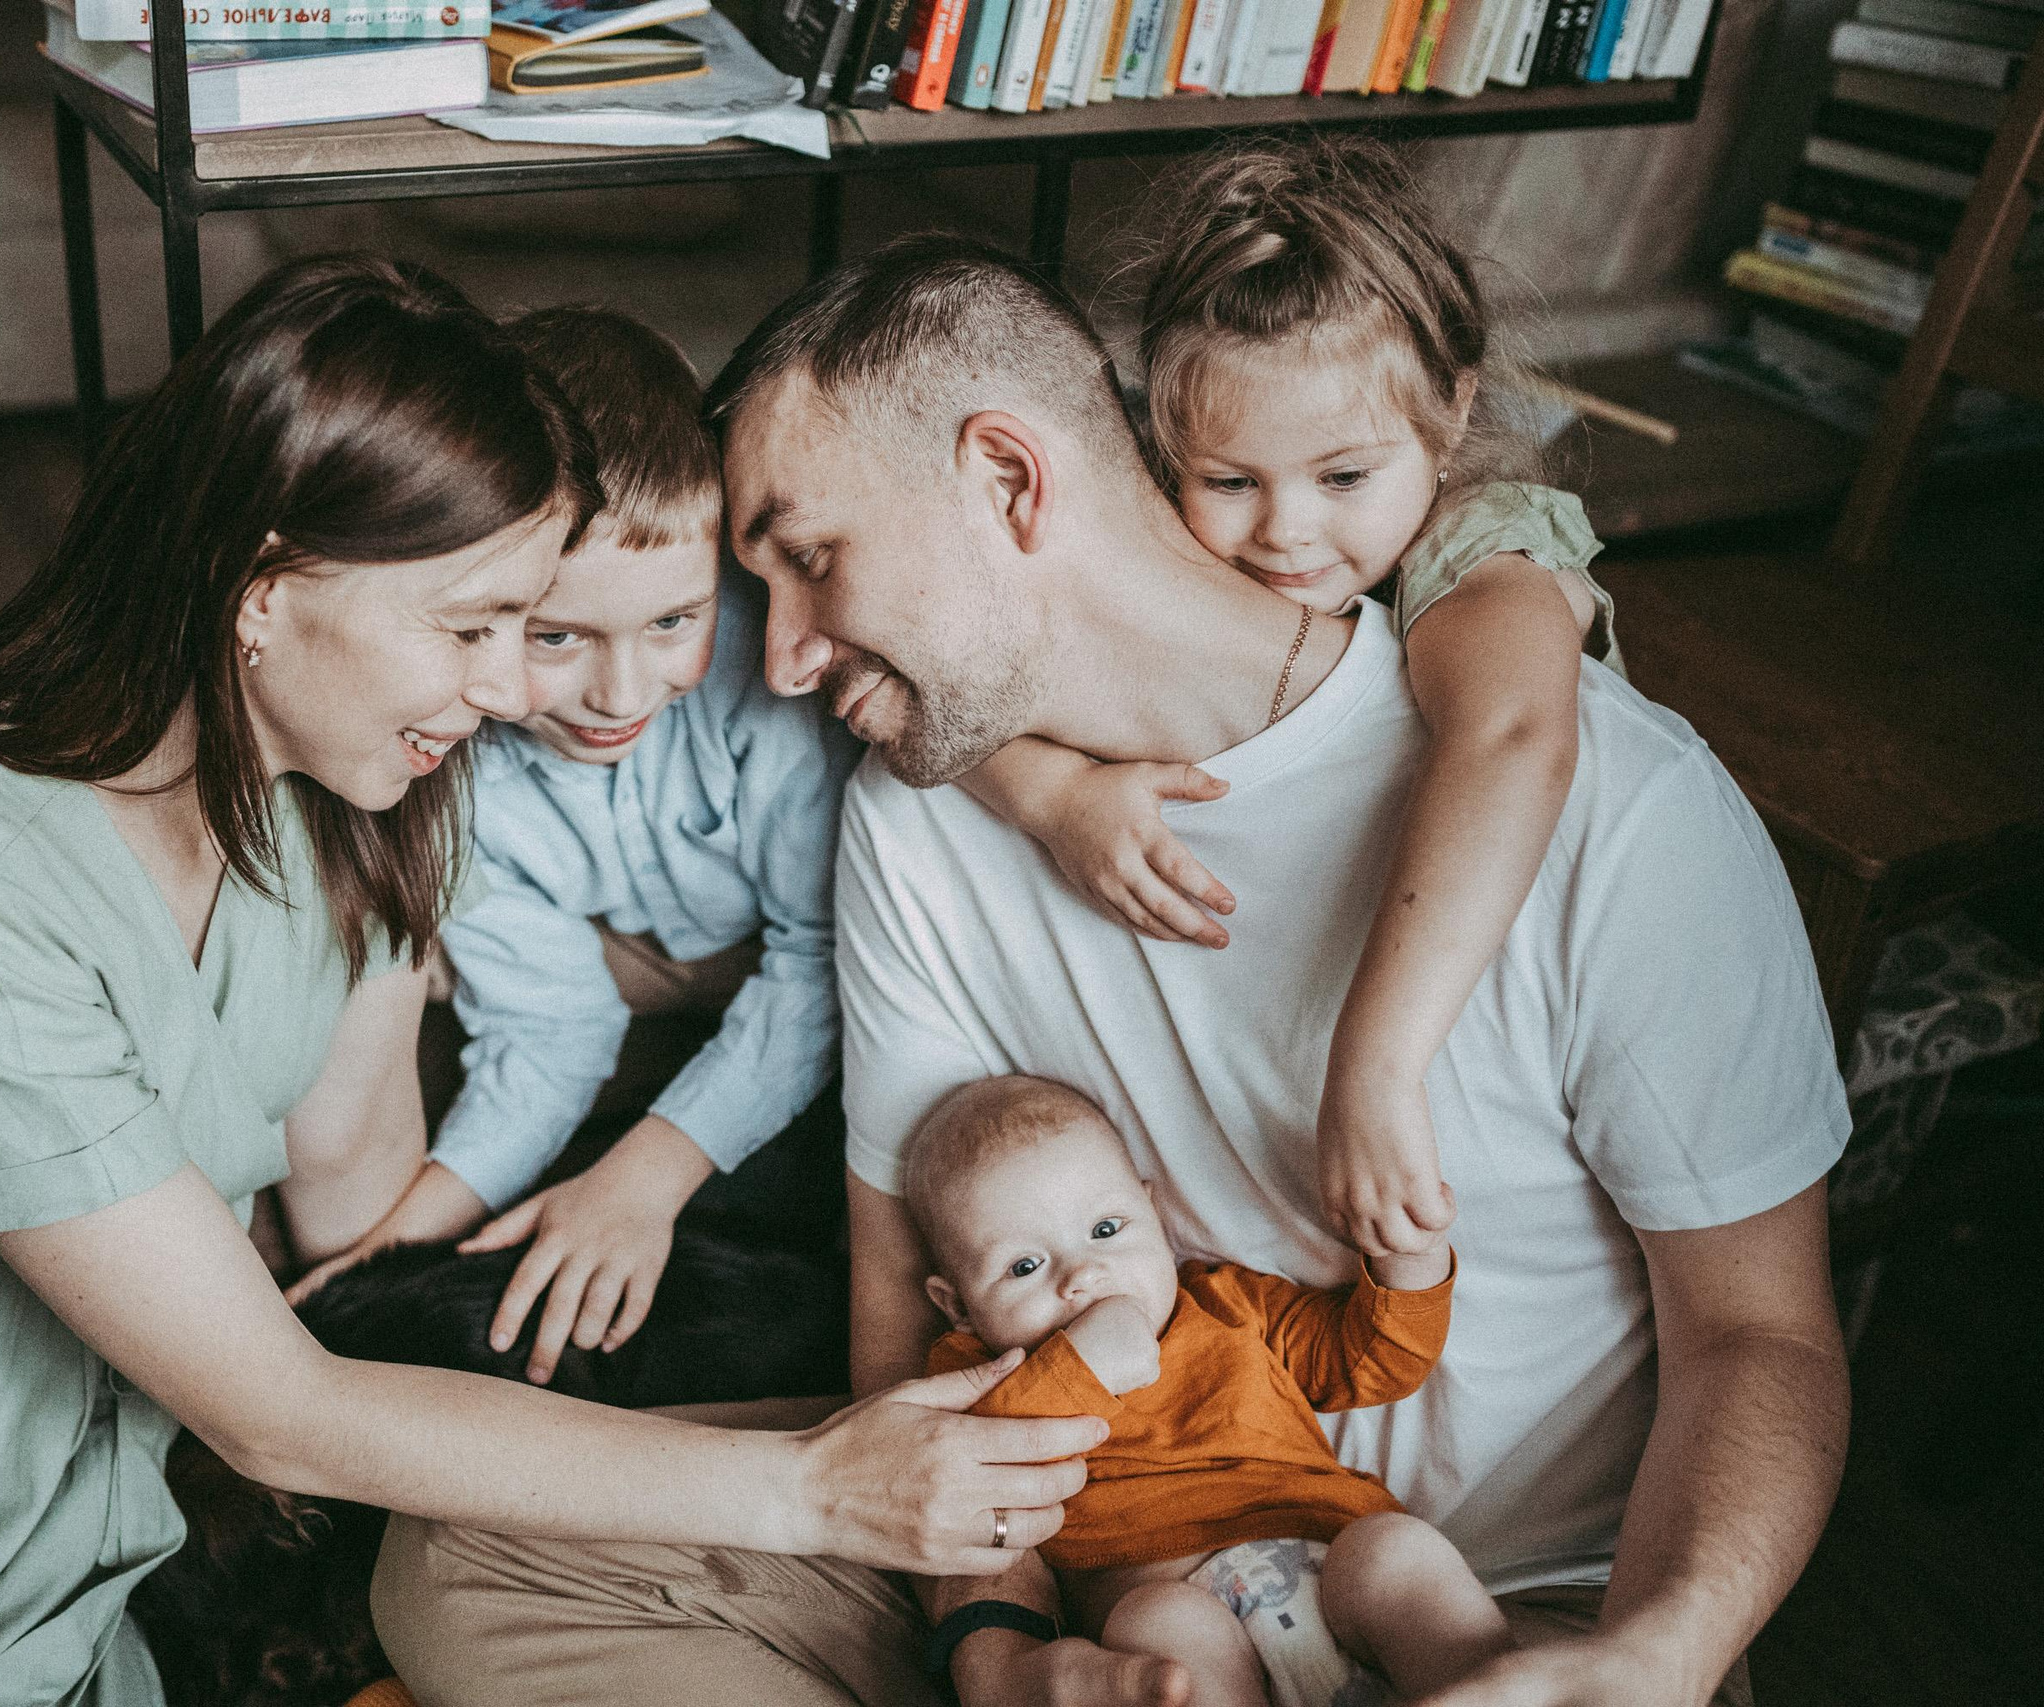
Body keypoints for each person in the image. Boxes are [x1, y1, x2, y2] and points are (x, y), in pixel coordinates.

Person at [0, 256, 1103, 1703]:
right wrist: (810, 1487)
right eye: (473, 627)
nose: (501, 693)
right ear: (264, 586)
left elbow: (349, 1196)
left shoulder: (359, 791)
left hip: (81, 1429)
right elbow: (276, 1407)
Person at [373, 236, 1851, 1707]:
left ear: (1010, 482)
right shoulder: (919, 812)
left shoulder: (1611, 799)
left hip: (1494, 1614)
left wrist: (1651, 1658)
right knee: (459, 1565)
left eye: (812, 559)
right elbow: (908, 1332)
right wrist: (995, 1641)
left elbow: (1760, 1335)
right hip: (1101, 1581)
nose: (786, 660)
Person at [963, 135, 1622, 1264]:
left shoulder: (1481, 548)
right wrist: (1053, 793)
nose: (1286, 529)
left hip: (1491, 994)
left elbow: (1512, 736)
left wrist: (1373, 1068)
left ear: (1452, 411)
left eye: (1343, 477)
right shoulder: (1168, 533)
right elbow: (951, 678)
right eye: (1228, 480)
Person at [283, 305, 860, 1386]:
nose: (620, 694)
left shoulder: (765, 686)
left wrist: (649, 1173)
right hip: (648, 1008)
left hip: (825, 1022)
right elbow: (550, 1034)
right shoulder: (453, 768)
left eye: (673, 625)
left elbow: (822, 966)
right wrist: (378, 1262)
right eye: (556, 637)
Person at [905, 1074, 1507, 1707]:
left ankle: (1501, 1693)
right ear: (959, 1307)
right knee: (1161, 1622)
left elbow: (1371, 1362)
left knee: (1398, 1550)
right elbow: (962, 1467)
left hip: (1329, 1562)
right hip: (1167, 1604)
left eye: (1107, 1229)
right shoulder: (975, 1370)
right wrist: (1083, 1369)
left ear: (1155, 1215)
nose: (1085, 1274)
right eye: (1024, 1266)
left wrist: (1409, 1259)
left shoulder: (1230, 1305)